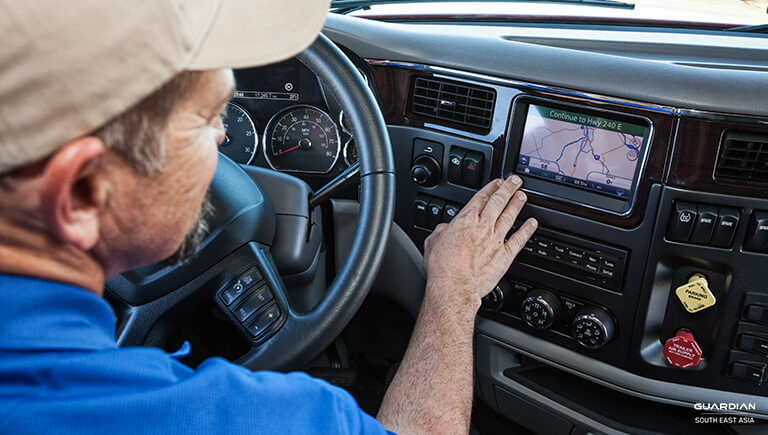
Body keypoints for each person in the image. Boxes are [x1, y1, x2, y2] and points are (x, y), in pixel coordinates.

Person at [0, 1, 537, 434]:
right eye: (208, 120)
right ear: (83, 193)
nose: (224, 143)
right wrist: (454, 292)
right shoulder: (253, 416)